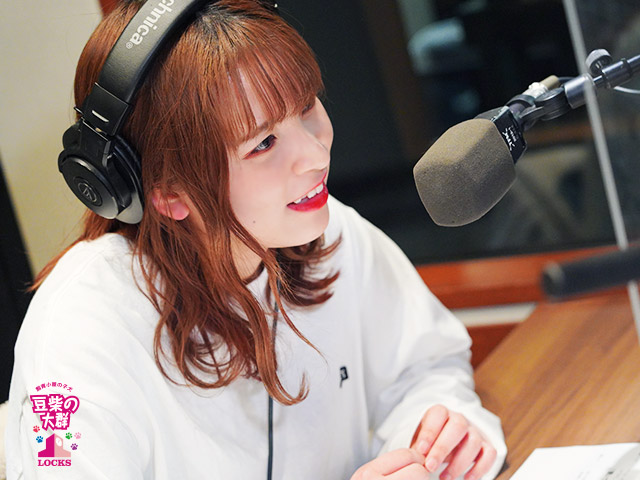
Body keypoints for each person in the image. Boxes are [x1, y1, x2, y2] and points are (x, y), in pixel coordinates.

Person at [5, 1, 506, 479]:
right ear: (168, 192)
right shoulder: (77, 333)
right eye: (263, 143)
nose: (316, 155)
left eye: (306, 107)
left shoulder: (332, 234)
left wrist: (434, 439)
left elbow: (425, 369)